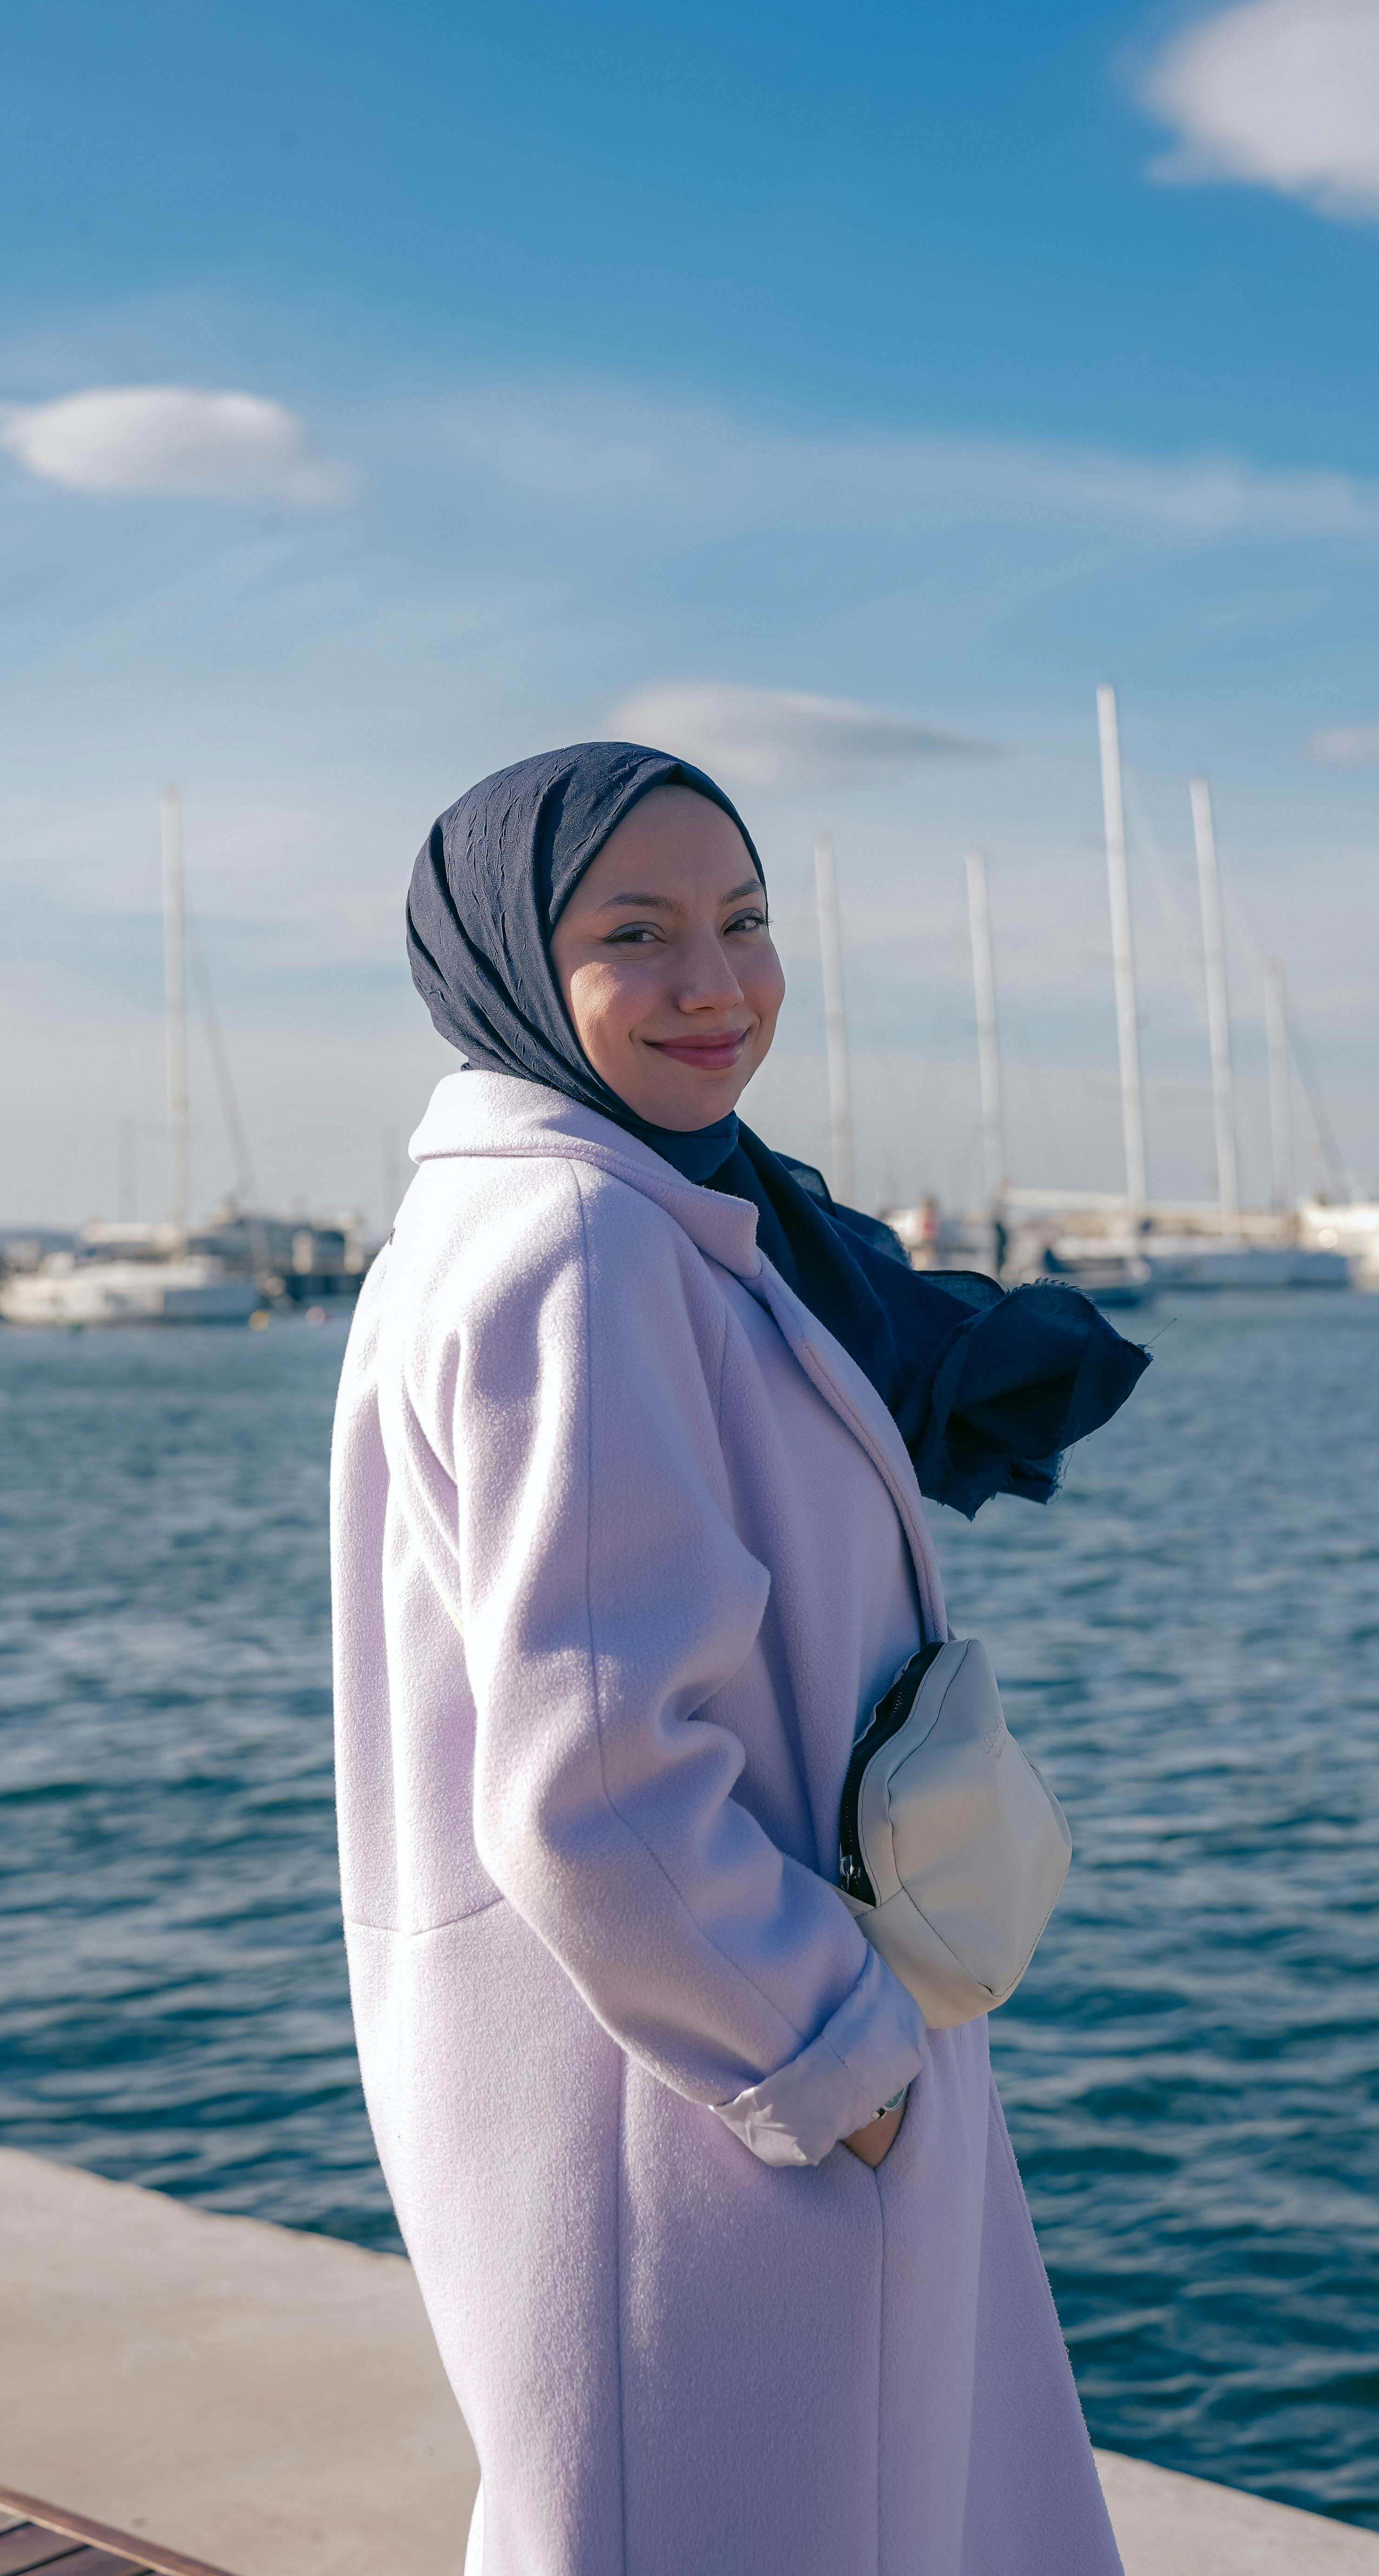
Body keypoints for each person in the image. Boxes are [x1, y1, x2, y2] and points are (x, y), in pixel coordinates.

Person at [331, 742, 1149, 2575]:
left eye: (746, 920)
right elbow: (597, 1779)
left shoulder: (599, 1215)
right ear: (510, 969)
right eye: (637, 935)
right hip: (711, 2099)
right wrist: (837, 2071)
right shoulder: (582, 1247)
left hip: (661, 2074)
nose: (717, 985)